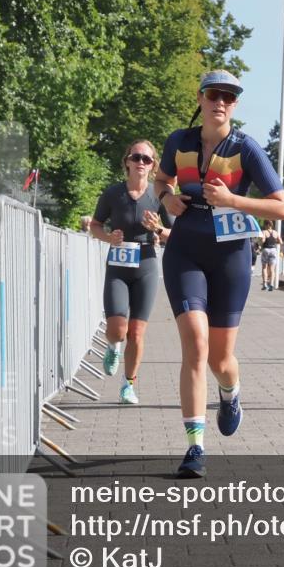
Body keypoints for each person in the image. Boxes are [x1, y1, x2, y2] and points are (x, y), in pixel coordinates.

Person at [155, 70, 284, 478]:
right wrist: (166, 197)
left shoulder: (246, 149)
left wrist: (233, 199)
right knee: (194, 345)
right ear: (200, 97)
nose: (221, 102)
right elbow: (162, 178)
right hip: (185, 251)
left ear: (235, 105)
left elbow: (281, 207)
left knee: (220, 358)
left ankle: (230, 394)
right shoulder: (179, 141)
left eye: (229, 97)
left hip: (230, 256)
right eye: (214, 94)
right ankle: (195, 447)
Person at [89, 139, 172, 405]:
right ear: (126, 161)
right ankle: (113, 347)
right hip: (118, 264)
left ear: (153, 165)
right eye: (136, 157)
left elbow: (175, 233)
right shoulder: (113, 193)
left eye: (146, 159)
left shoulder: (160, 195)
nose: (140, 163)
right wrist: (107, 237)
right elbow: (95, 225)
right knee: (117, 329)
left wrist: (158, 229)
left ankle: (129, 384)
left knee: (136, 332)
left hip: (146, 264)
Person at [260, 220, 280, 291]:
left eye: (265, 225)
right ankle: (271, 284)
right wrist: (274, 242)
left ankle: (264, 284)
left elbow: (262, 241)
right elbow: (280, 241)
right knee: (272, 269)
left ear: (267, 225)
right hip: (273, 250)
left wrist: (260, 243)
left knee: (264, 267)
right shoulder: (276, 232)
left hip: (266, 249)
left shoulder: (264, 232)